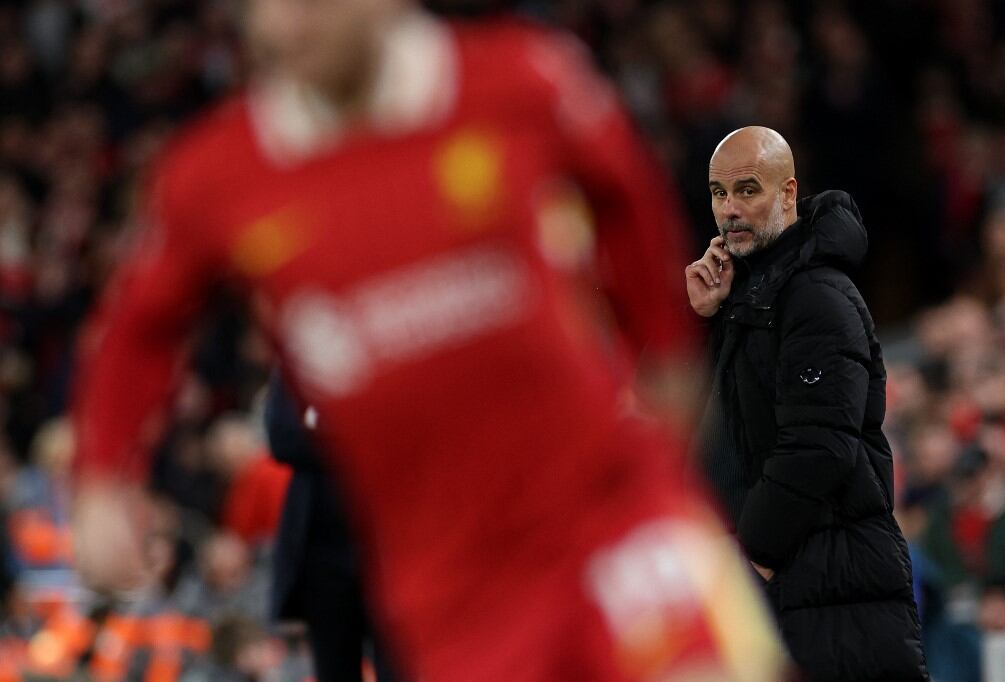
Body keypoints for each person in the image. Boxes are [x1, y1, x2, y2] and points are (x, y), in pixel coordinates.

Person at [69, 2, 786, 680]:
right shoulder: (218, 176)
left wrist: (664, 352)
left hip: (610, 512)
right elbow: (137, 329)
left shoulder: (519, 80)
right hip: (451, 589)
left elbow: (627, 193)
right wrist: (103, 477)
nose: (291, 20)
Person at [686, 125, 929, 680]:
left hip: (828, 583)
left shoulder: (815, 295)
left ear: (789, 193)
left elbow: (819, 444)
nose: (730, 209)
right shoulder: (754, 292)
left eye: (748, 190)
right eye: (720, 194)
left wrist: (757, 557)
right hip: (796, 582)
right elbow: (728, 430)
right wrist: (710, 318)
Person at [264, 369, 399, 682]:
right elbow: (282, 438)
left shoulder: (384, 355)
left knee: (399, 668)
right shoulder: (299, 358)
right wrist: (356, 432)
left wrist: (322, 425)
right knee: (333, 671)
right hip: (320, 556)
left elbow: (402, 432)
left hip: (386, 547)